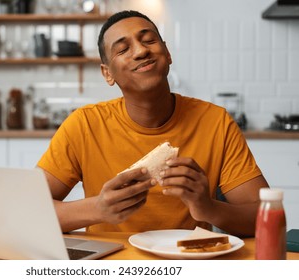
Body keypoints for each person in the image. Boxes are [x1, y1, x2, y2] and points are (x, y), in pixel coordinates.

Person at [38, 10, 269, 237]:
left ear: (167, 53)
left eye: (149, 40)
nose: (140, 51)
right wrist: (97, 209)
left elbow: (264, 217)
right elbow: (28, 210)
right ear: (107, 73)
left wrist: (207, 208)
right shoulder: (84, 125)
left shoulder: (216, 122)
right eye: (123, 49)